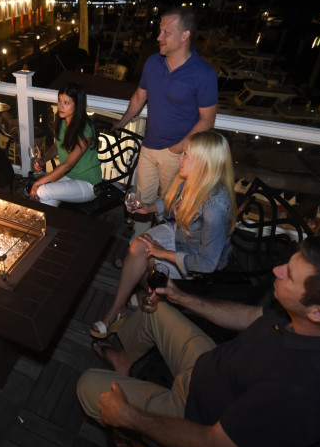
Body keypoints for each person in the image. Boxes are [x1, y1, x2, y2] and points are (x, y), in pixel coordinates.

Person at [77, 235, 320, 447]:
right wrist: (182, 297)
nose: (277, 270)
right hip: (212, 369)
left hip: (198, 418)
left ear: (319, 313)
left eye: (288, 275)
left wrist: (131, 417)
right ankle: (124, 361)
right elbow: (250, 317)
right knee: (157, 310)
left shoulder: (302, 394)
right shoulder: (315, 320)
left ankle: (147, 446)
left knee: (88, 384)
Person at [90, 130, 235, 337]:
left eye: (186, 155)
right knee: (138, 246)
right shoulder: (191, 178)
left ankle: (144, 302)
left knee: (148, 260)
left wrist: (161, 253)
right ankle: (118, 308)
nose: (180, 158)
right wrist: (147, 208)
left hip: (195, 258)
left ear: (203, 164)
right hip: (179, 232)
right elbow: (172, 205)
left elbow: (207, 263)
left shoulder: (215, 207)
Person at [111, 6, 218, 240]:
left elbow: (207, 120)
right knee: (143, 203)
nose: (158, 37)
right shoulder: (153, 63)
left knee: (170, 209)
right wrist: (122, 122)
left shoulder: (203, 74)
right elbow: (140, 97)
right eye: (159, 31)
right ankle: (136, 248)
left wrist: (178, 148)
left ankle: (161, 257)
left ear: (185, 35)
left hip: (178, 155)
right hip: (149, 147)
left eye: (165, 32)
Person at [28, 82, 102, 206]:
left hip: (88, 183)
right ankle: (51, 224)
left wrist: (38, 182)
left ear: (78, 105)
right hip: (69, 176)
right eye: (59, 101)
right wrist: (44, 160)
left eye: (66, 103)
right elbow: (58, 146)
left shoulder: (85, 129)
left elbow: (67, 165)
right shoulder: (63, 122)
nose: (60, 106)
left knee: (41, 189)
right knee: (44, 199)